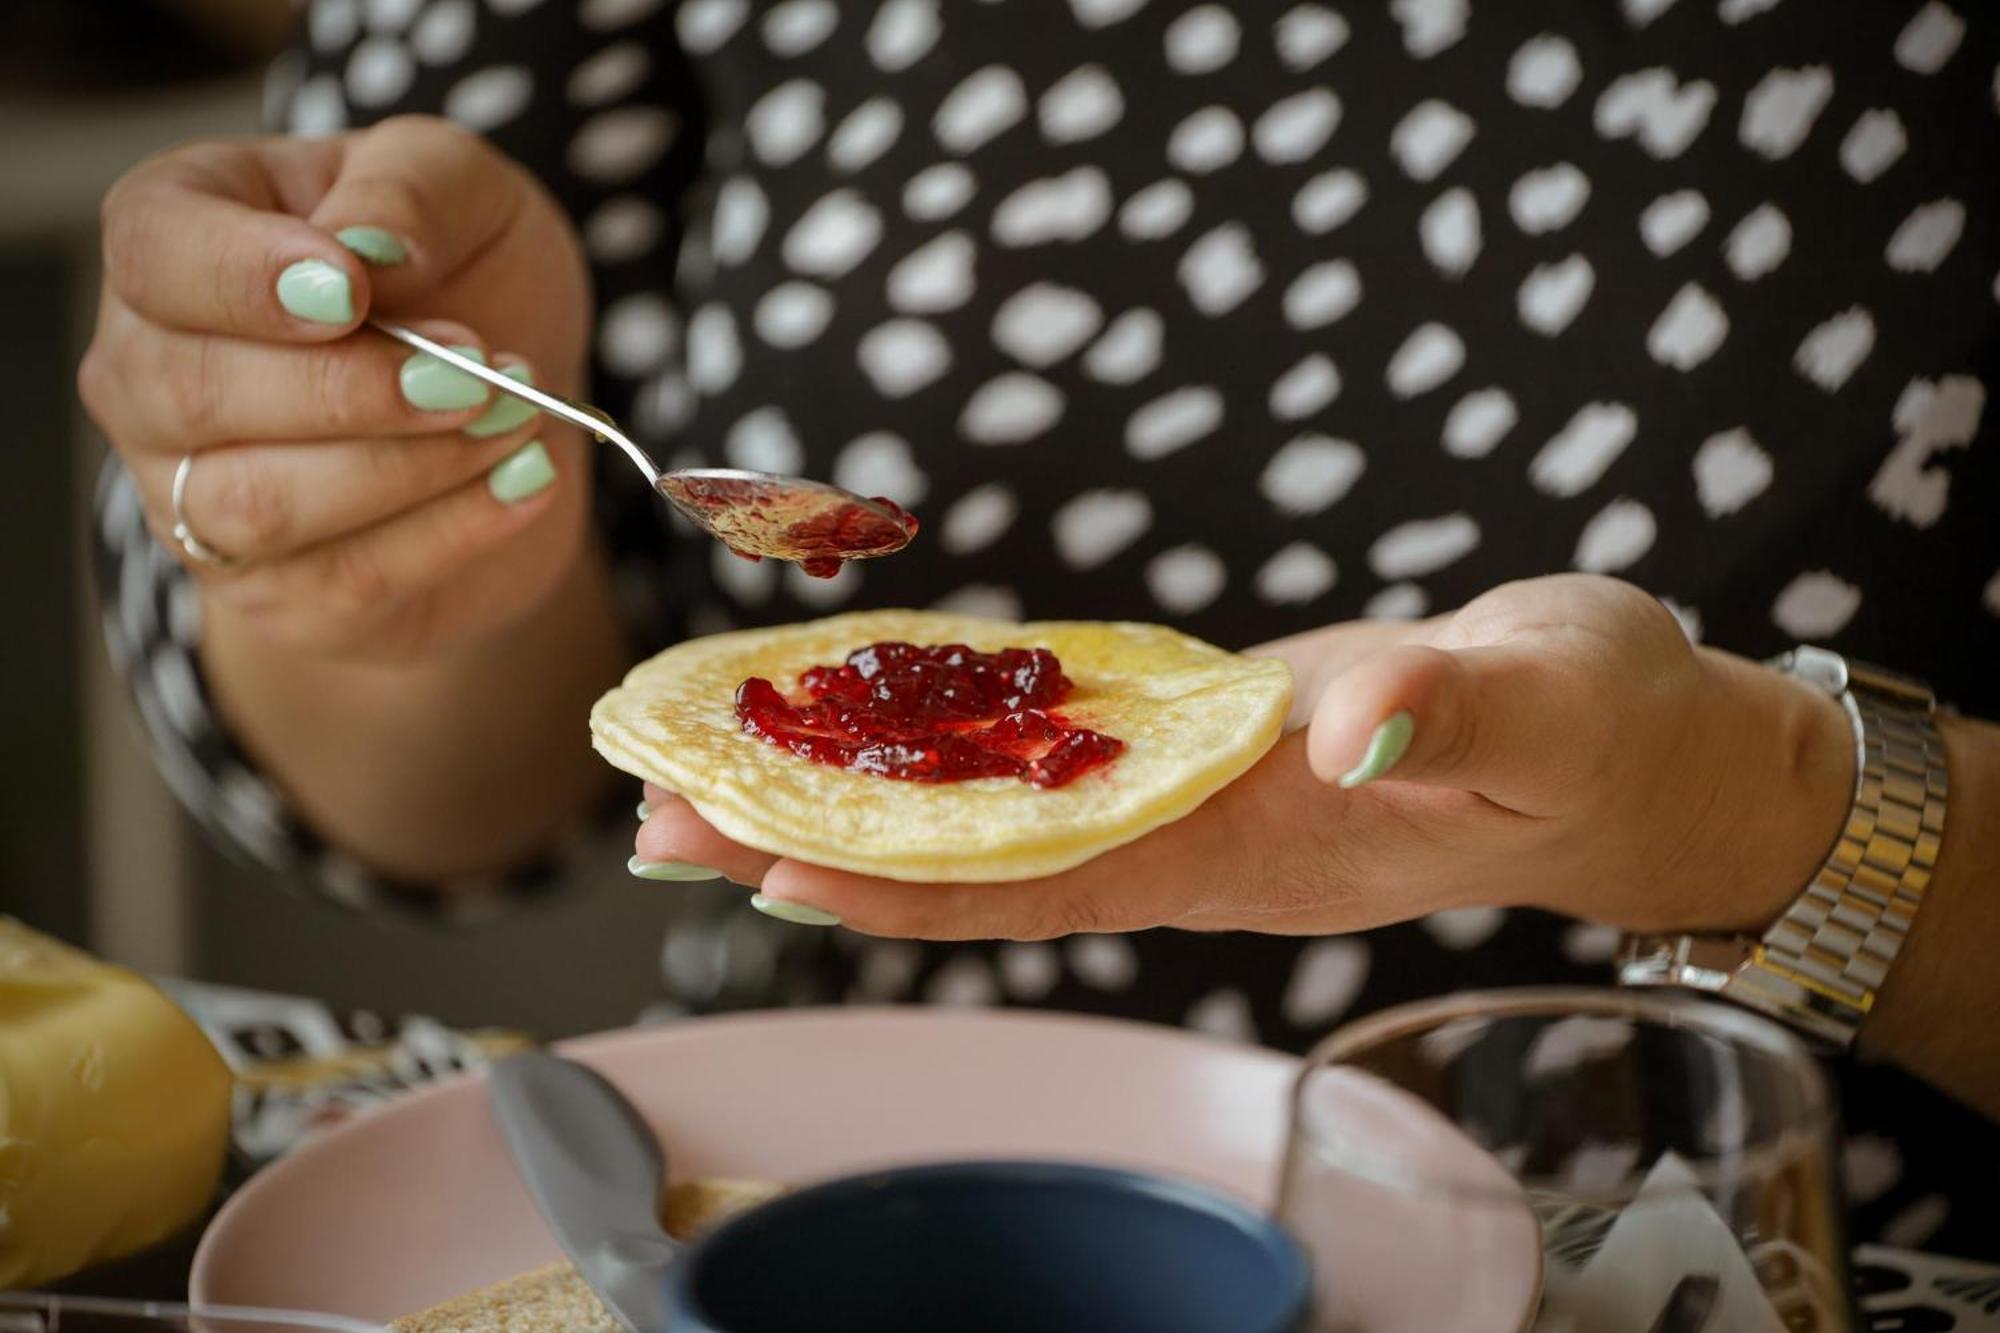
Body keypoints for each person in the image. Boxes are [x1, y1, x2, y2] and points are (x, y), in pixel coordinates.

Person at [81, 0, 1998, 1254]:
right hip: (819, 1215)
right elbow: (412, 799)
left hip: (1762, 1251)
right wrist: (388, 538)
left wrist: (1755, 805)